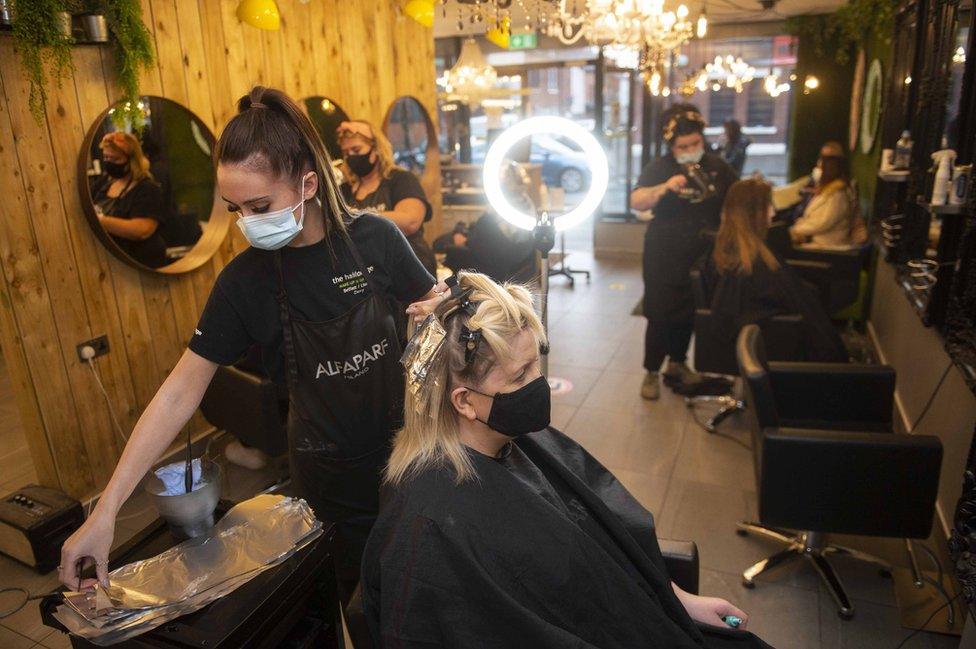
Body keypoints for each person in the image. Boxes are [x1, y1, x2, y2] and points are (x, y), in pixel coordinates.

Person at [59, 87, 440, 603]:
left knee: (417, 592)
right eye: (235, 209)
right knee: (352, 601)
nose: (247, 224)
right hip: (323, 478)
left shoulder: (374, 239)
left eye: (259, 206)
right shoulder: (245, 283)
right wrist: (104, 512)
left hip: (406, 457)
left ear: (308, 182)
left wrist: (442, 314)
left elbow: (437, 309)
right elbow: (178, 393)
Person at [362, 271, 774, 648]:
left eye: (537, 364)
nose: (539, 384)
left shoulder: (518, 440)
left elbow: (607, 541)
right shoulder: (429, 525)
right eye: (520, 375)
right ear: (464, 401)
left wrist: (677, 599)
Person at [630, 105, 737, 400]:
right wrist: (664, 187)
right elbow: (637, 201)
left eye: (695, 144)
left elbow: (736, 200)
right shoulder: (661, 167)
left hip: (703, 255)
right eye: (683, 146)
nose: (690, 150)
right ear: (672, 146)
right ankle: (651, 371)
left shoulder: (718, 167)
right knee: (660, 312)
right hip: (664, 253)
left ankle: (678, 363)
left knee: (691, 312)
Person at [704, 179, 848, 363]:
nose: (773, 212)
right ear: (753, 213)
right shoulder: (753, 263)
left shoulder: (736, 252)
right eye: (769, 205)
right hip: (789, 350)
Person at [337, 120, 437, 276]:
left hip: (410, 269)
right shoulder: (344, 190)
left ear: (376, 148)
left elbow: (410, 222)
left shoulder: (401, 180)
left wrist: (355, 215)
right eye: (346, 153)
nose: (351, 157)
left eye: (356, 150)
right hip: (370, 273)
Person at [91, 132, 169, 268]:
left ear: (131, 160)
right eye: (106, 157)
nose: (109, 162)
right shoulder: (104, 183)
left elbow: (142, 230)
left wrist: (100, 221)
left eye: (115, 159)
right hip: (111, 263)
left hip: (140, 263)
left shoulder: (148, 189)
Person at [790, 155, 856, 247]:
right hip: (817, 241)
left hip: (827, 245)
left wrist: (796, 229)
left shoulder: (837, 194)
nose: (816, 170)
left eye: (819, 167)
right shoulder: (827, 190)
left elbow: (822, 223)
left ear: (829, 171)